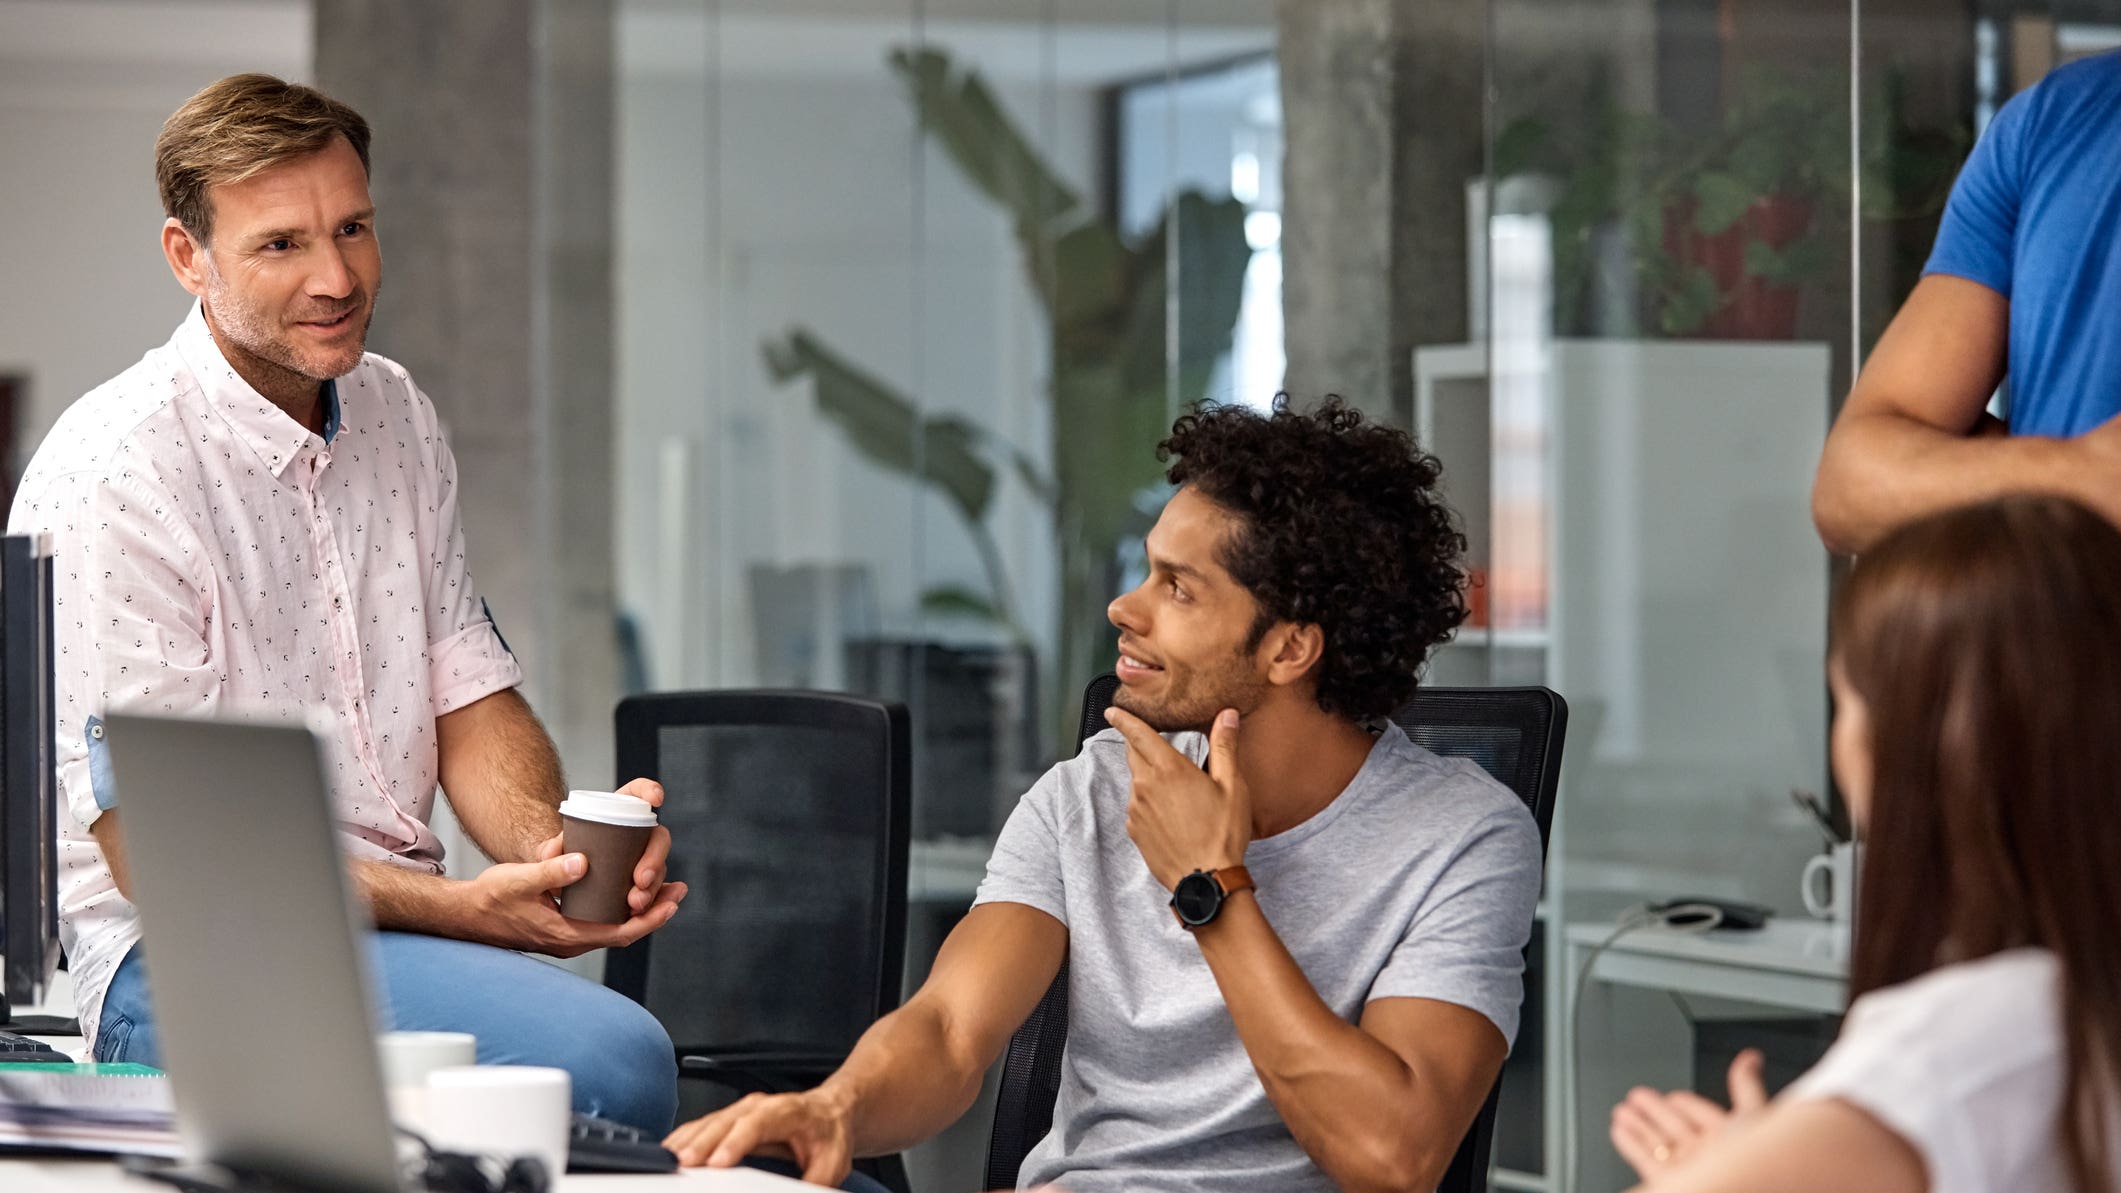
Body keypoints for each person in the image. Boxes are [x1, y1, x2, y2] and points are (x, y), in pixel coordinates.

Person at [7, 74, 688, 1130]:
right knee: (614, 1064)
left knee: (632, 1085)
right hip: (188, 956)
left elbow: (467, 692)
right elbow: (166, 851)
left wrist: (551, 857)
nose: (336, 275)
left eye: (354, 227)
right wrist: (462, 908)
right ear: (189, 258)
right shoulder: (118, 471)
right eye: (281, 244)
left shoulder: (395, 412)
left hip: (390, 936)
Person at [662, 397, 1543, 1190]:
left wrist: (1212, 887)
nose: (1126, 607)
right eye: (1146, 569)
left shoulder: (1462, 835)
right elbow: (947, 1030)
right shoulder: (1088, 792)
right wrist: (838, 1109)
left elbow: (1393, 1157)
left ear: (1288, 650)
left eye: (1178, 588)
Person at [1609, 495, 2121, 1193]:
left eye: (1848, 701)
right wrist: (1784, 1151)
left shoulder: (1964, 1043)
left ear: (1917, 744)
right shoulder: (2074, 1008)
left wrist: (1756, 1162)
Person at [1812, 51, 2121, 554]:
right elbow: (1850, 488)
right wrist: (2078, 473)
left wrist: (1977, 473)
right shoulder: (2049, 121)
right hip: (2050, 625)